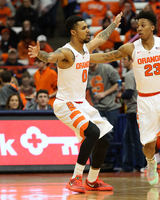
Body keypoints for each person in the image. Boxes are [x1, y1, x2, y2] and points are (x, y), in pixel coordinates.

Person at [89, 10, 160, 186]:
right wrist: (81, 58)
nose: (139, 28)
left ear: (152, 27)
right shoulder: (131, 48)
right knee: (148, 145)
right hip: (145, 100)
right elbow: (106, 56)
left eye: (143, 25)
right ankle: (151, 162)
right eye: (137, 25)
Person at [28, 13, 123, 193]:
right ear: (73, 32)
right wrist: (39, 54)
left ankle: (92, 181)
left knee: (104, 141)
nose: (87, 30)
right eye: (83, 28)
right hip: (66, 104)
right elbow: (50, 56)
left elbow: (101, 38)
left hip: (81, 104)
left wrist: (113, 25)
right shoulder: (67, 52)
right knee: (93, 132)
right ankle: (75, 178)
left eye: (87, 27)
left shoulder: (86, 49)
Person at [119, 55, 144, 172]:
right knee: (128, 139)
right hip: (138, 109)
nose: (122, 61)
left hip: (133, 110)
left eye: (124, 59)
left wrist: (119, 95)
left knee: (135, 140)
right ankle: (127, 166)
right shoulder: (139, 72)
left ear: (131, 60)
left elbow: (129, 93)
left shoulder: (129, 74)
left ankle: (140, 166)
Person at [87, 62, 121, 143]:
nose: (91, 61)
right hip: (97, 108)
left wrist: (104, 93)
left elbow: (118, 83)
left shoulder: (107, 68)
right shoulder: (85, 72)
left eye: (93, 59)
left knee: (110, 134)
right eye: (89, 59)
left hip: (111, 107)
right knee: (98, 135)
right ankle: (102, 155)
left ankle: (111, 155)